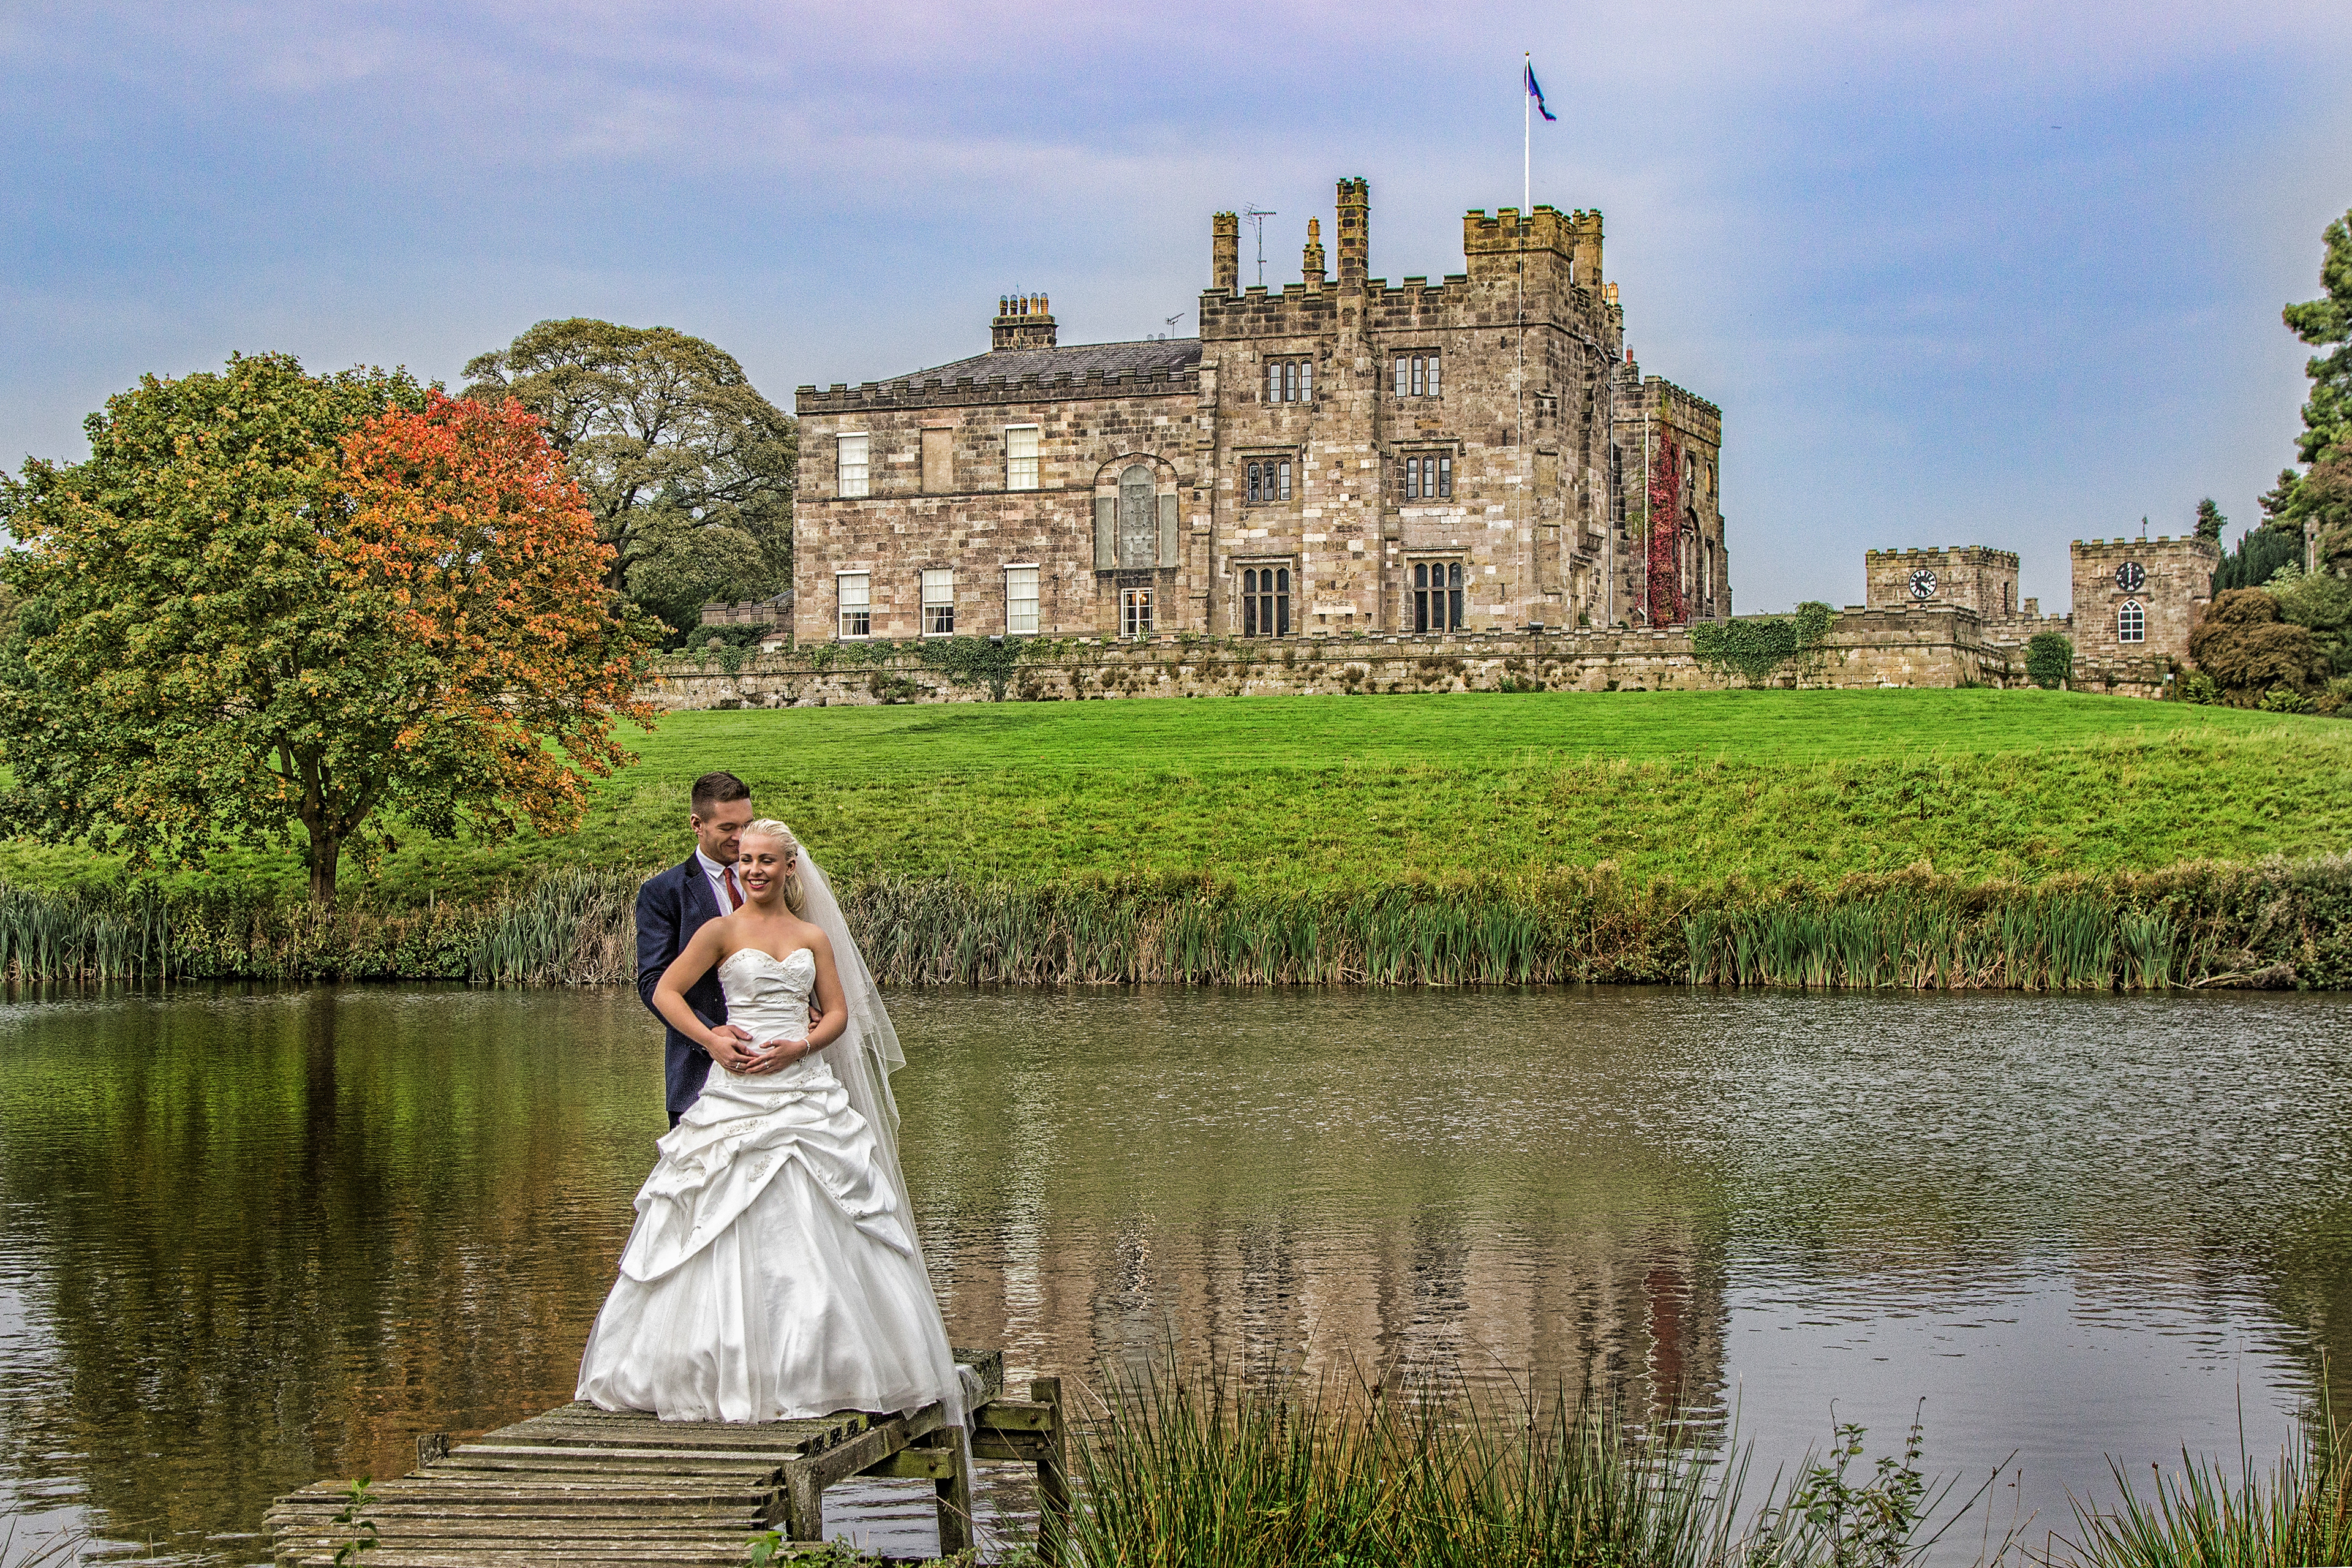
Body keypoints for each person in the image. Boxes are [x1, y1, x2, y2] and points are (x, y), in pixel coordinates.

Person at [577, 819, 973, 1427]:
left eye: (767, 860)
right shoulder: (720, 930)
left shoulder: (813, 936)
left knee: (823, 1220)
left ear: (791, 867)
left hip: (802, 1088)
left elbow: (839, 1013)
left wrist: (801, 1046)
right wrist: (712, 1037)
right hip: (737, 1093)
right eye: (746, 860)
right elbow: (666, 992)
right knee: (718, 1217)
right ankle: (714, 1368)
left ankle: (826, 1366)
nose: (754, 869)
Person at [636, 772, 764, 1128]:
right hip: (698, 1071)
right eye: (728, 828)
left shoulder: (774, 879)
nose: (740, 837)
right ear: (698, 824)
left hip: (776, 1064)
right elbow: (653, 982)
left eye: (747, 825)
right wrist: (711, 1037)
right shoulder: (663, 893)